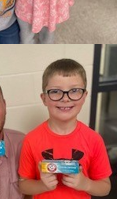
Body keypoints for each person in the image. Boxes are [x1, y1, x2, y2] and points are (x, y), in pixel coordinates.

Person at [18, 59, 112, 198]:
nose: (65, 98)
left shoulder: (94, 139)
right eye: (56, 91)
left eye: (74, 90)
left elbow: (105, 187)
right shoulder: (31, 139)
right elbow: (23, 185)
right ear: (44, 98)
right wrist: (42, 186)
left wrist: (85, 184)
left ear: (84, 96)